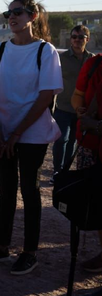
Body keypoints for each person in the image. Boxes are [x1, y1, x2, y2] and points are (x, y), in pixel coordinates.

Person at [0, 0, 62, 275]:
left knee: (30, 191)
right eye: (8, 13)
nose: (12, 17)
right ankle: (1, 247)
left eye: (18, 12)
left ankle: (29, 252)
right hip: (3, 132)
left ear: (32, 17)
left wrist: (16, 134)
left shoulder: (45, 51)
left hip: (32, 133)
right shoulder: (0, 51)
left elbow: (45, 96)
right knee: (7, 189)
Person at [71, 49, 102, 272]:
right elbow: (77, 95)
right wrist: (80, 109)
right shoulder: (93, 64)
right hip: (91, 145)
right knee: (97, 204)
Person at [51, 25, 93, 183]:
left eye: (80, 37)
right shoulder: (60, 58)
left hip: (83, 110)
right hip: (63, 106)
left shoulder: (93, 60)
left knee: (74, 142)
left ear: (87, 39)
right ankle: (57, 172)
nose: (77, 40)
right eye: (74, 36)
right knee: (61, 139)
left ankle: (66, 173)